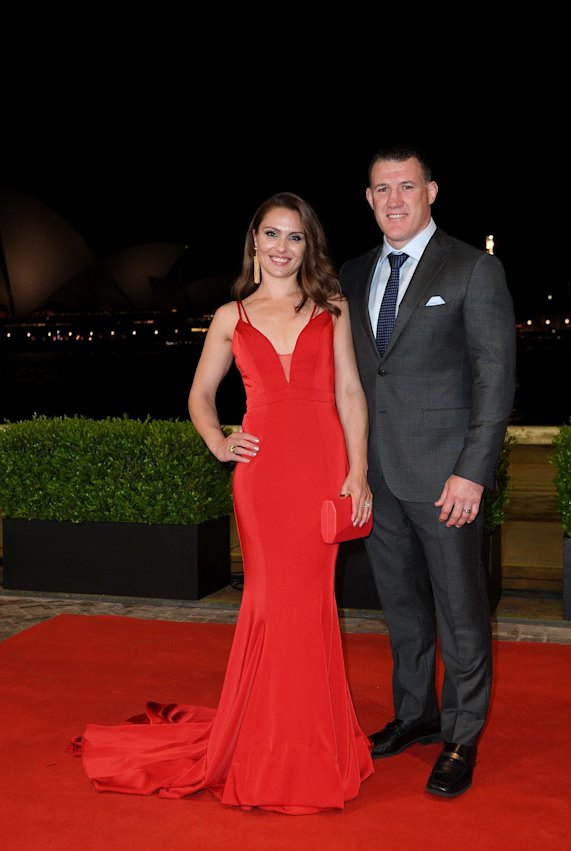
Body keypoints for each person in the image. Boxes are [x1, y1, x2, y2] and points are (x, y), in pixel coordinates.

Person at [68, 192, 374, 814]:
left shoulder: (331, 306)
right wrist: (218, 442)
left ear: (308, 245)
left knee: (313, 606)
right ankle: (263, 743)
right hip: (261, 481)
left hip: (322, 470)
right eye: (272, 235)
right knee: (268, 605)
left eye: (294, 237)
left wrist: (359, 472)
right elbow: (200, 395)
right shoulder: (231, 316)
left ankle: (315, 745)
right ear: (254, 243)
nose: (283, 247)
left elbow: (349, 392)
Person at [340, 144, 516, 798]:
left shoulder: (473, 269)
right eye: (382, 189)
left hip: (446, 483)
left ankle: (462, 736)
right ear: (368, 198)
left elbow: (495, 379)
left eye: (406, 187)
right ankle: (416, 713)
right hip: (378, 479)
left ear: (431, 191)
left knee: (462, 612)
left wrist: (472, 471)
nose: (394, 200)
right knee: (404, 609)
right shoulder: (354, 274)